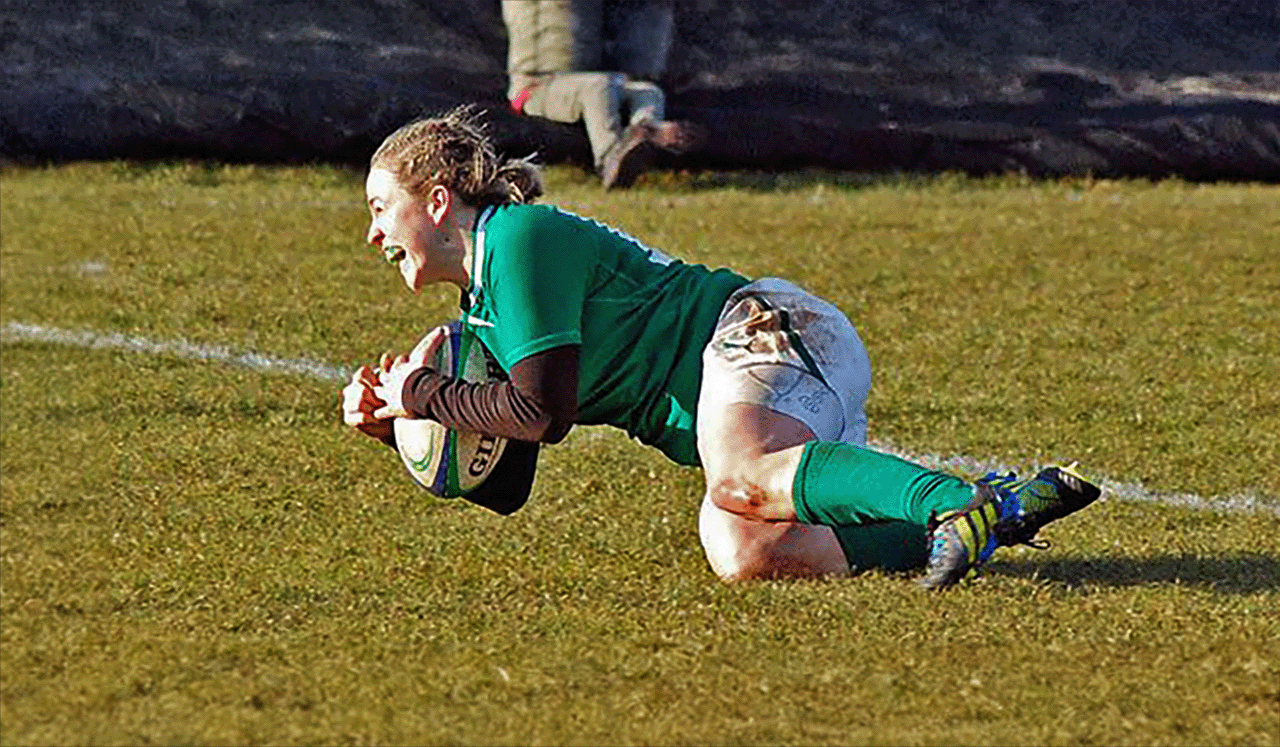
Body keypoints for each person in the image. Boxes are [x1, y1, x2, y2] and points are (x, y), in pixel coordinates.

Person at [341, 106, 1101, 589]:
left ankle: (963, 503)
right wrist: (401, 429)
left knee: (738, 474)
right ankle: (983, 519)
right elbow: (507, 484)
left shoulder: (516, 240)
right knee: (745, 550)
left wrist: (420, 393)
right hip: (755, 379)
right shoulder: (481, 306)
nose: (374, 233)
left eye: (382, 208)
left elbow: (543, 412)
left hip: (765, 329)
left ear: (437, 201)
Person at [501, 0, 696, 189]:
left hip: (588, 81)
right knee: (598, 86)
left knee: (648, 91)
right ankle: (611, 159)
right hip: (537, 87)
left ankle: (643, 130)